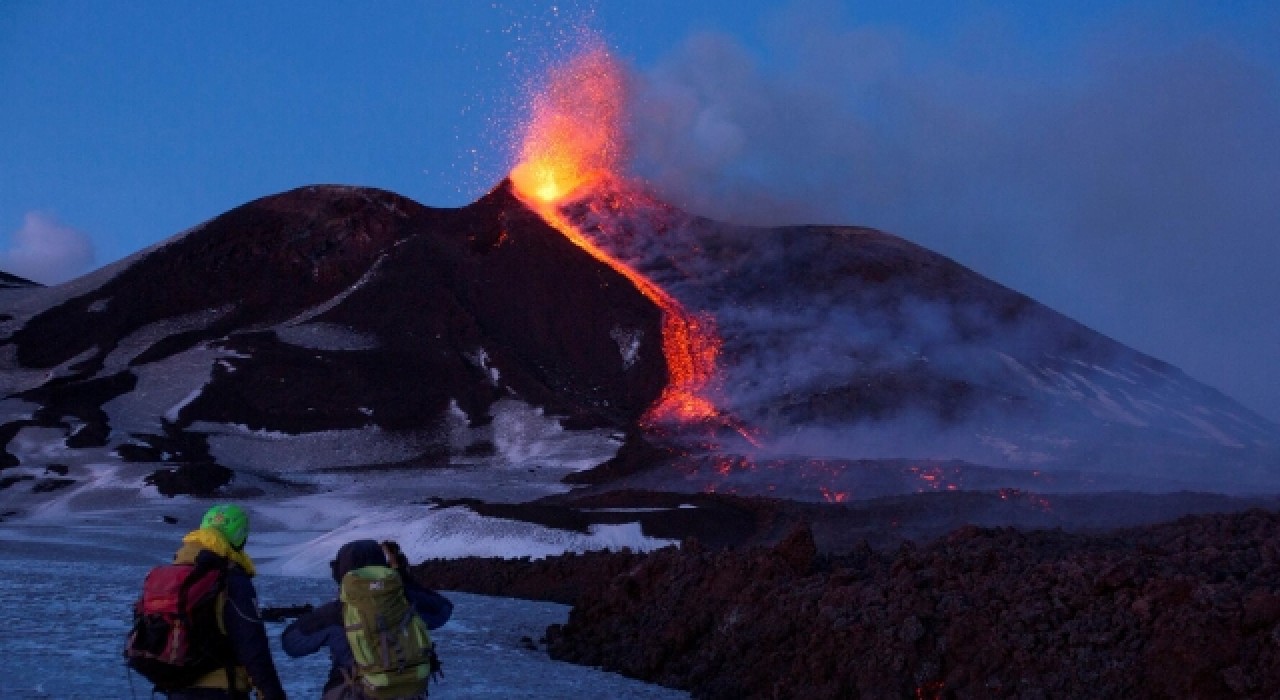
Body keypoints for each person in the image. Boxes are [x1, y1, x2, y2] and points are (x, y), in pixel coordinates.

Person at [281, 539, 453, 699]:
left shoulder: (335, 613)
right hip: (408, 691)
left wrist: (312, 617)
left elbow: (292, 644)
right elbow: (443, 610)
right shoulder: (408, 600)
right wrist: (403, 580)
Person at [167, 503, 287, 700]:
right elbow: (251, 643)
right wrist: (271, 692)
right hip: (222, 688)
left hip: (176, 687)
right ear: (240, 536)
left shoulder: (176, 574)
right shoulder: (230, 579)